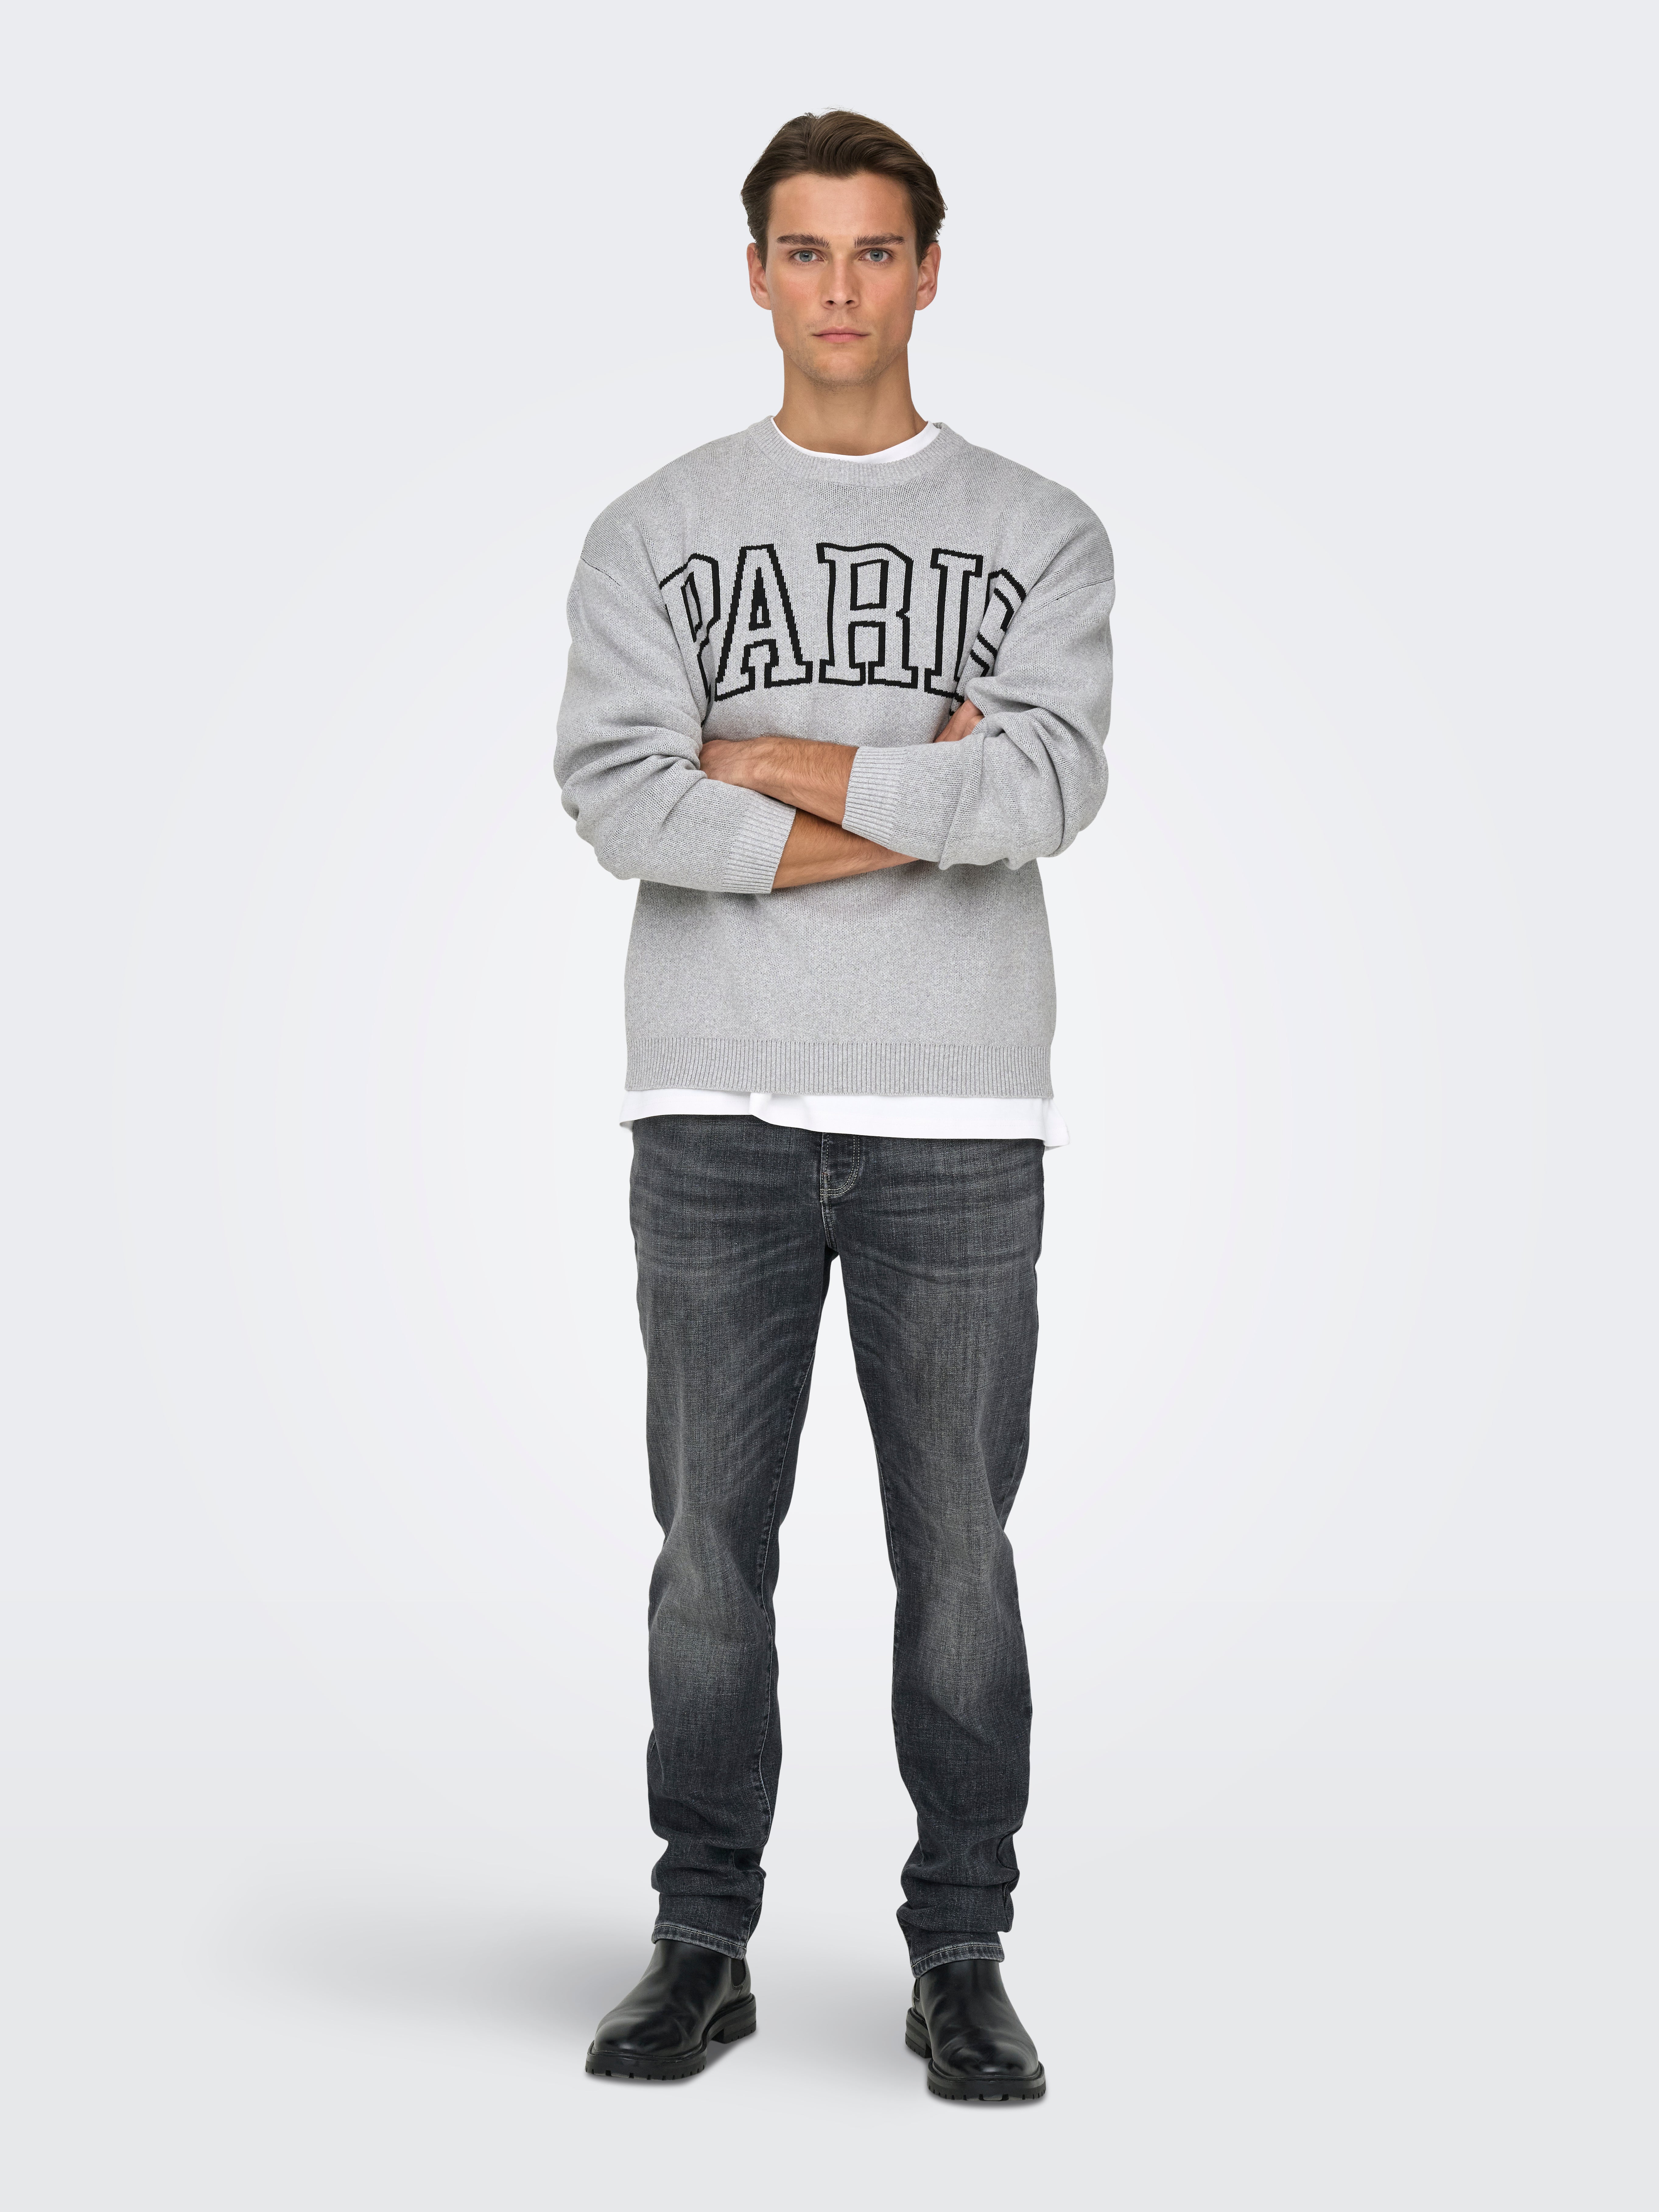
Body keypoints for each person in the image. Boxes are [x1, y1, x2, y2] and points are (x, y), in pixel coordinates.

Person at [554, 109, 1113, 2101]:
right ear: (757, 274)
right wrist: (913, 794)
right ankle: (701, 1941)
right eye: (807, 251)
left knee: (958, 1558)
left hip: (959, 1113)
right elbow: (621, 793)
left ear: (929, 271)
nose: (842, 289)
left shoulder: (1041, 530)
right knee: (712, 1556)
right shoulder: (655, 528)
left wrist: (770, 757)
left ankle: (961, 1955)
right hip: (712, 1099)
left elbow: (1044, 789)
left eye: (878, 251)